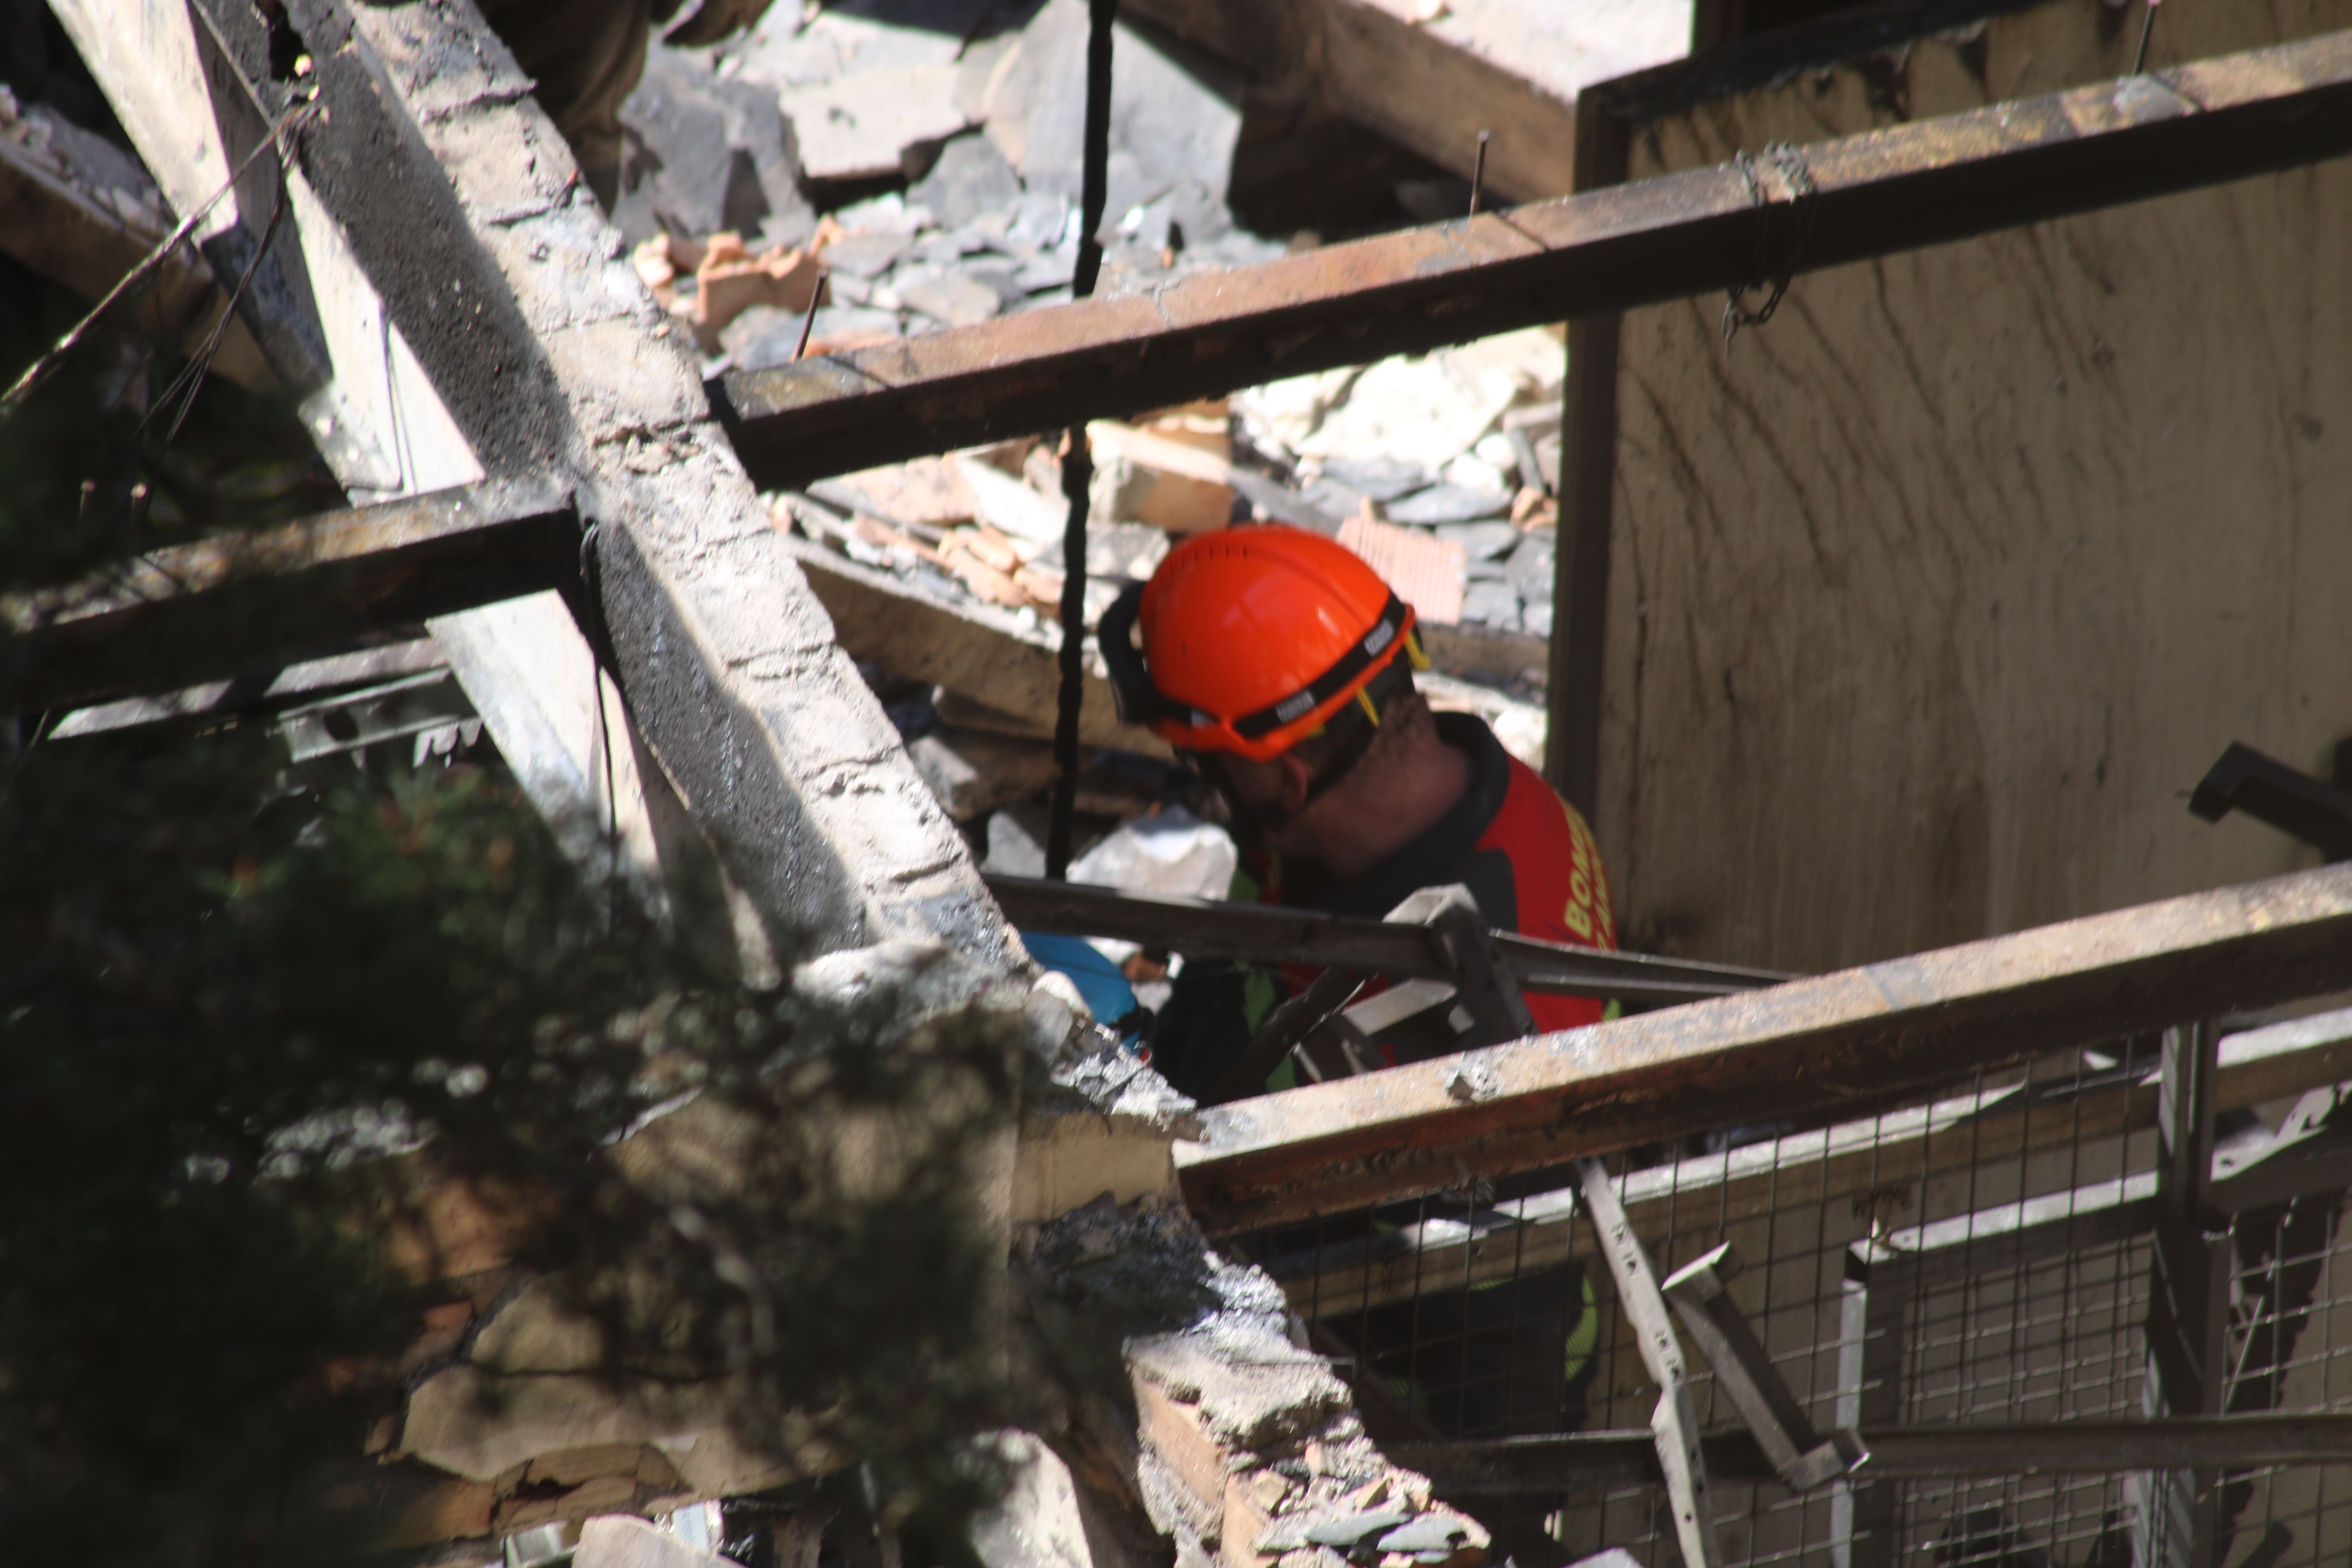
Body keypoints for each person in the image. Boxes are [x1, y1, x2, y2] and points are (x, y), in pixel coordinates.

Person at [1098, 524, 1618, 1103]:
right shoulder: (1498, 792)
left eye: (1209, 762)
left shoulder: (1462, 1036)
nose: (1209, 782)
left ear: (1290, 781)